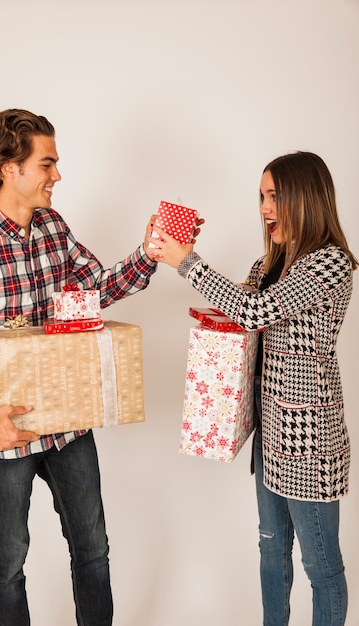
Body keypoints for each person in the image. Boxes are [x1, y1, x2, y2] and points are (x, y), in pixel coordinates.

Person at [0, 108, 163, 626]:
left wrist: (149, 253)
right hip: (5, 430)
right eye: (48, 163)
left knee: (93, 549)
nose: (57, 175)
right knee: (8, 562)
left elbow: (98, 289)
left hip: (69, 424)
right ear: (9, 168)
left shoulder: (52, 228)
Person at [148, 151, 357, 626]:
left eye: (275, 196)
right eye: (262, 196)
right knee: (271, 553)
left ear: (305, 197)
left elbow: (255, 312)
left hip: (310, 444)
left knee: (320, 567)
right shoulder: (272, 262)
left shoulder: (329, 265)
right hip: (271, 437)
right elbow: (242, 309)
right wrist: (174, 248)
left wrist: (188, 263)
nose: (264, 208)